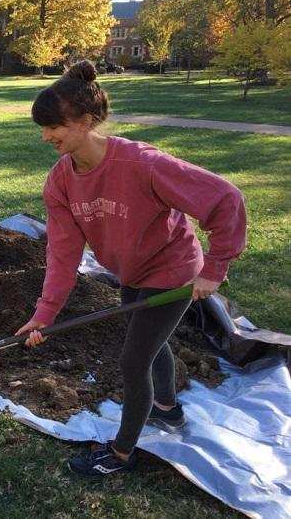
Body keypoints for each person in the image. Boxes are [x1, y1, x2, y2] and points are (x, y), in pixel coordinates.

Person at [15, 60, 247, 476]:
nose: (45, 136)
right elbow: (63, 255)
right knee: (149, 344)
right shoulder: (60, 182)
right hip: (133, 272)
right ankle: (167, 409)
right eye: (42, 128)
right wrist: (44, 315)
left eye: (54, 127)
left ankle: (120, 453)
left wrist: (214, 268)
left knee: (133, 360)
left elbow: (225, 200)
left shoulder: (142, 164)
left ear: (85, 121)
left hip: (174, 271)